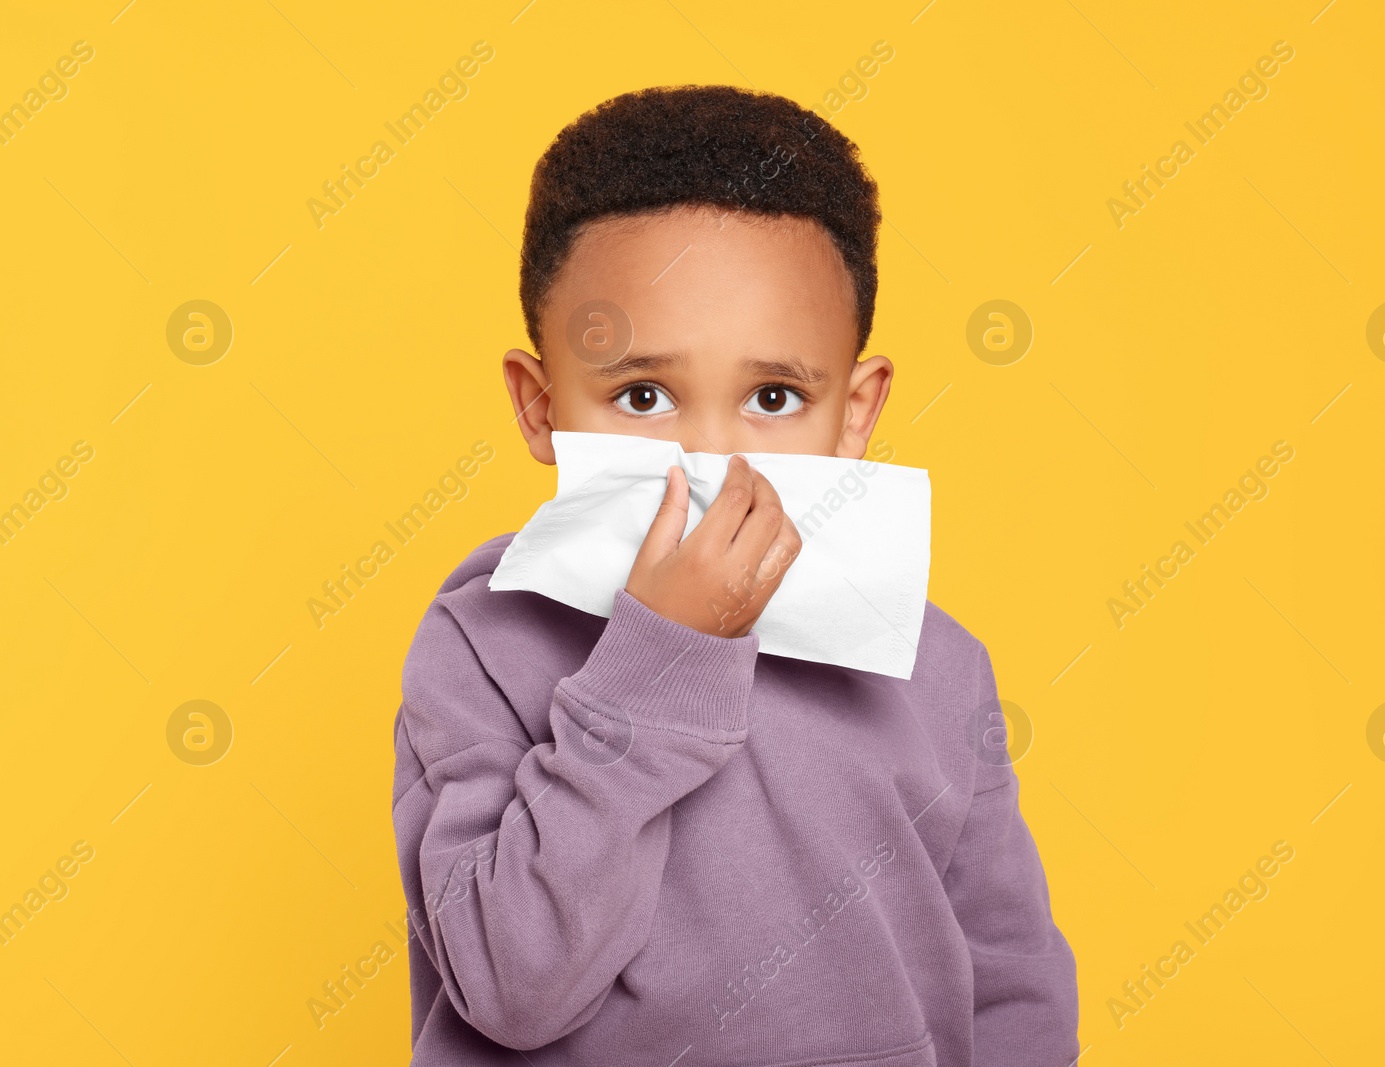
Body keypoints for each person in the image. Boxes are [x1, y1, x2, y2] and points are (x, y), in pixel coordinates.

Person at [391, 84, 1079, 1066]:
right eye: (641, 393)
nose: (709, 456)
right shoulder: (486, 642)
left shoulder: (934, 663)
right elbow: (512, 986)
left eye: (771, 395)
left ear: (852, 412)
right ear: (540, 407)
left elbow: (1011, 984)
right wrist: (661, 660)